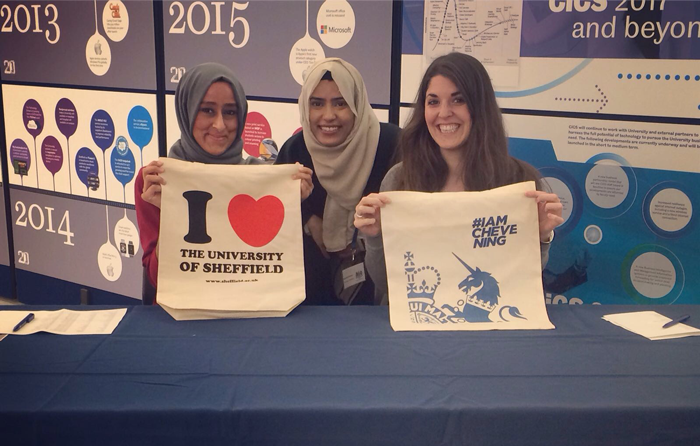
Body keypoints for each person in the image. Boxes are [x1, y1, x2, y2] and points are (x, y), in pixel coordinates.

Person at [354, 53, 563, 304]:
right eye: (433, 102)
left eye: (458, 100)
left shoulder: (518, 181)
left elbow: (520, 282)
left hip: (486, 330)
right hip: (415, 332)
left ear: (479, 107)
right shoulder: (399, 180)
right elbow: (386, 283)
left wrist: (540, 237)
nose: (444, 113)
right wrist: (375, 237)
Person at [135, 63, 312, 293]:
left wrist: (290, 204)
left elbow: (275, 270)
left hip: (247, 311)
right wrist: (171, 214)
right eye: (207, 110)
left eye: (229, 112)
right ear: (186, 110)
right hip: (181, 318)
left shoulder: (260, 180)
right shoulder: (155, 181)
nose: (219, 125)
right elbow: (157, 278)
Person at [276, 58, 400, 304]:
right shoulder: (295, 152)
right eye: (317, 103)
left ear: (357, 104)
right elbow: (272, 225)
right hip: (309, 302)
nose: (328, 115)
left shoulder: (393, 146)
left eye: (341, 103)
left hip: (379, 300)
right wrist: (303, 214)